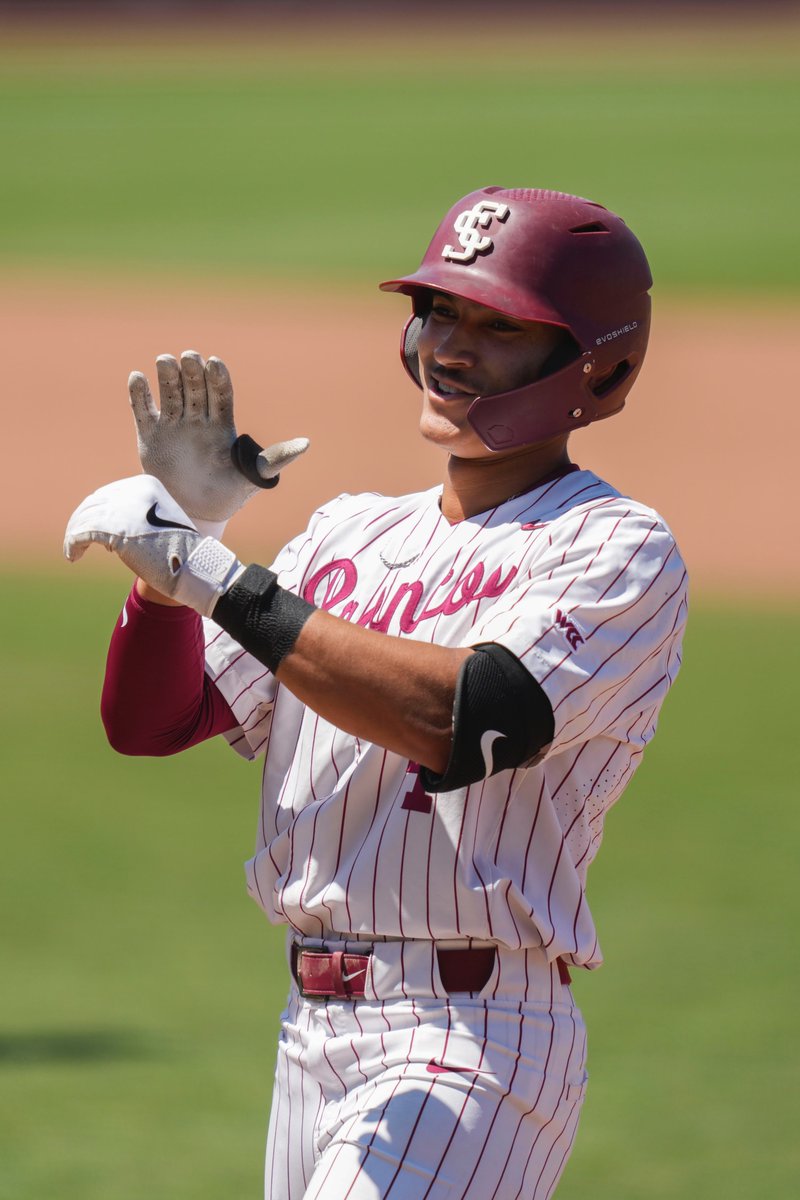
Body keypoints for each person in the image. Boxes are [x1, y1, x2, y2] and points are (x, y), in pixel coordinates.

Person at [65, 186, 688, 1200]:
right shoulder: (348, 531)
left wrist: (213, 574)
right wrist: (170, 578)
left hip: (472, 1037)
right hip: (309, 1036)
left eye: (497, 326)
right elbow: (154, 721)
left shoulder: (615, 548)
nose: (450, 347)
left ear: (594, 362)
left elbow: (466, 716)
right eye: (439, 312)